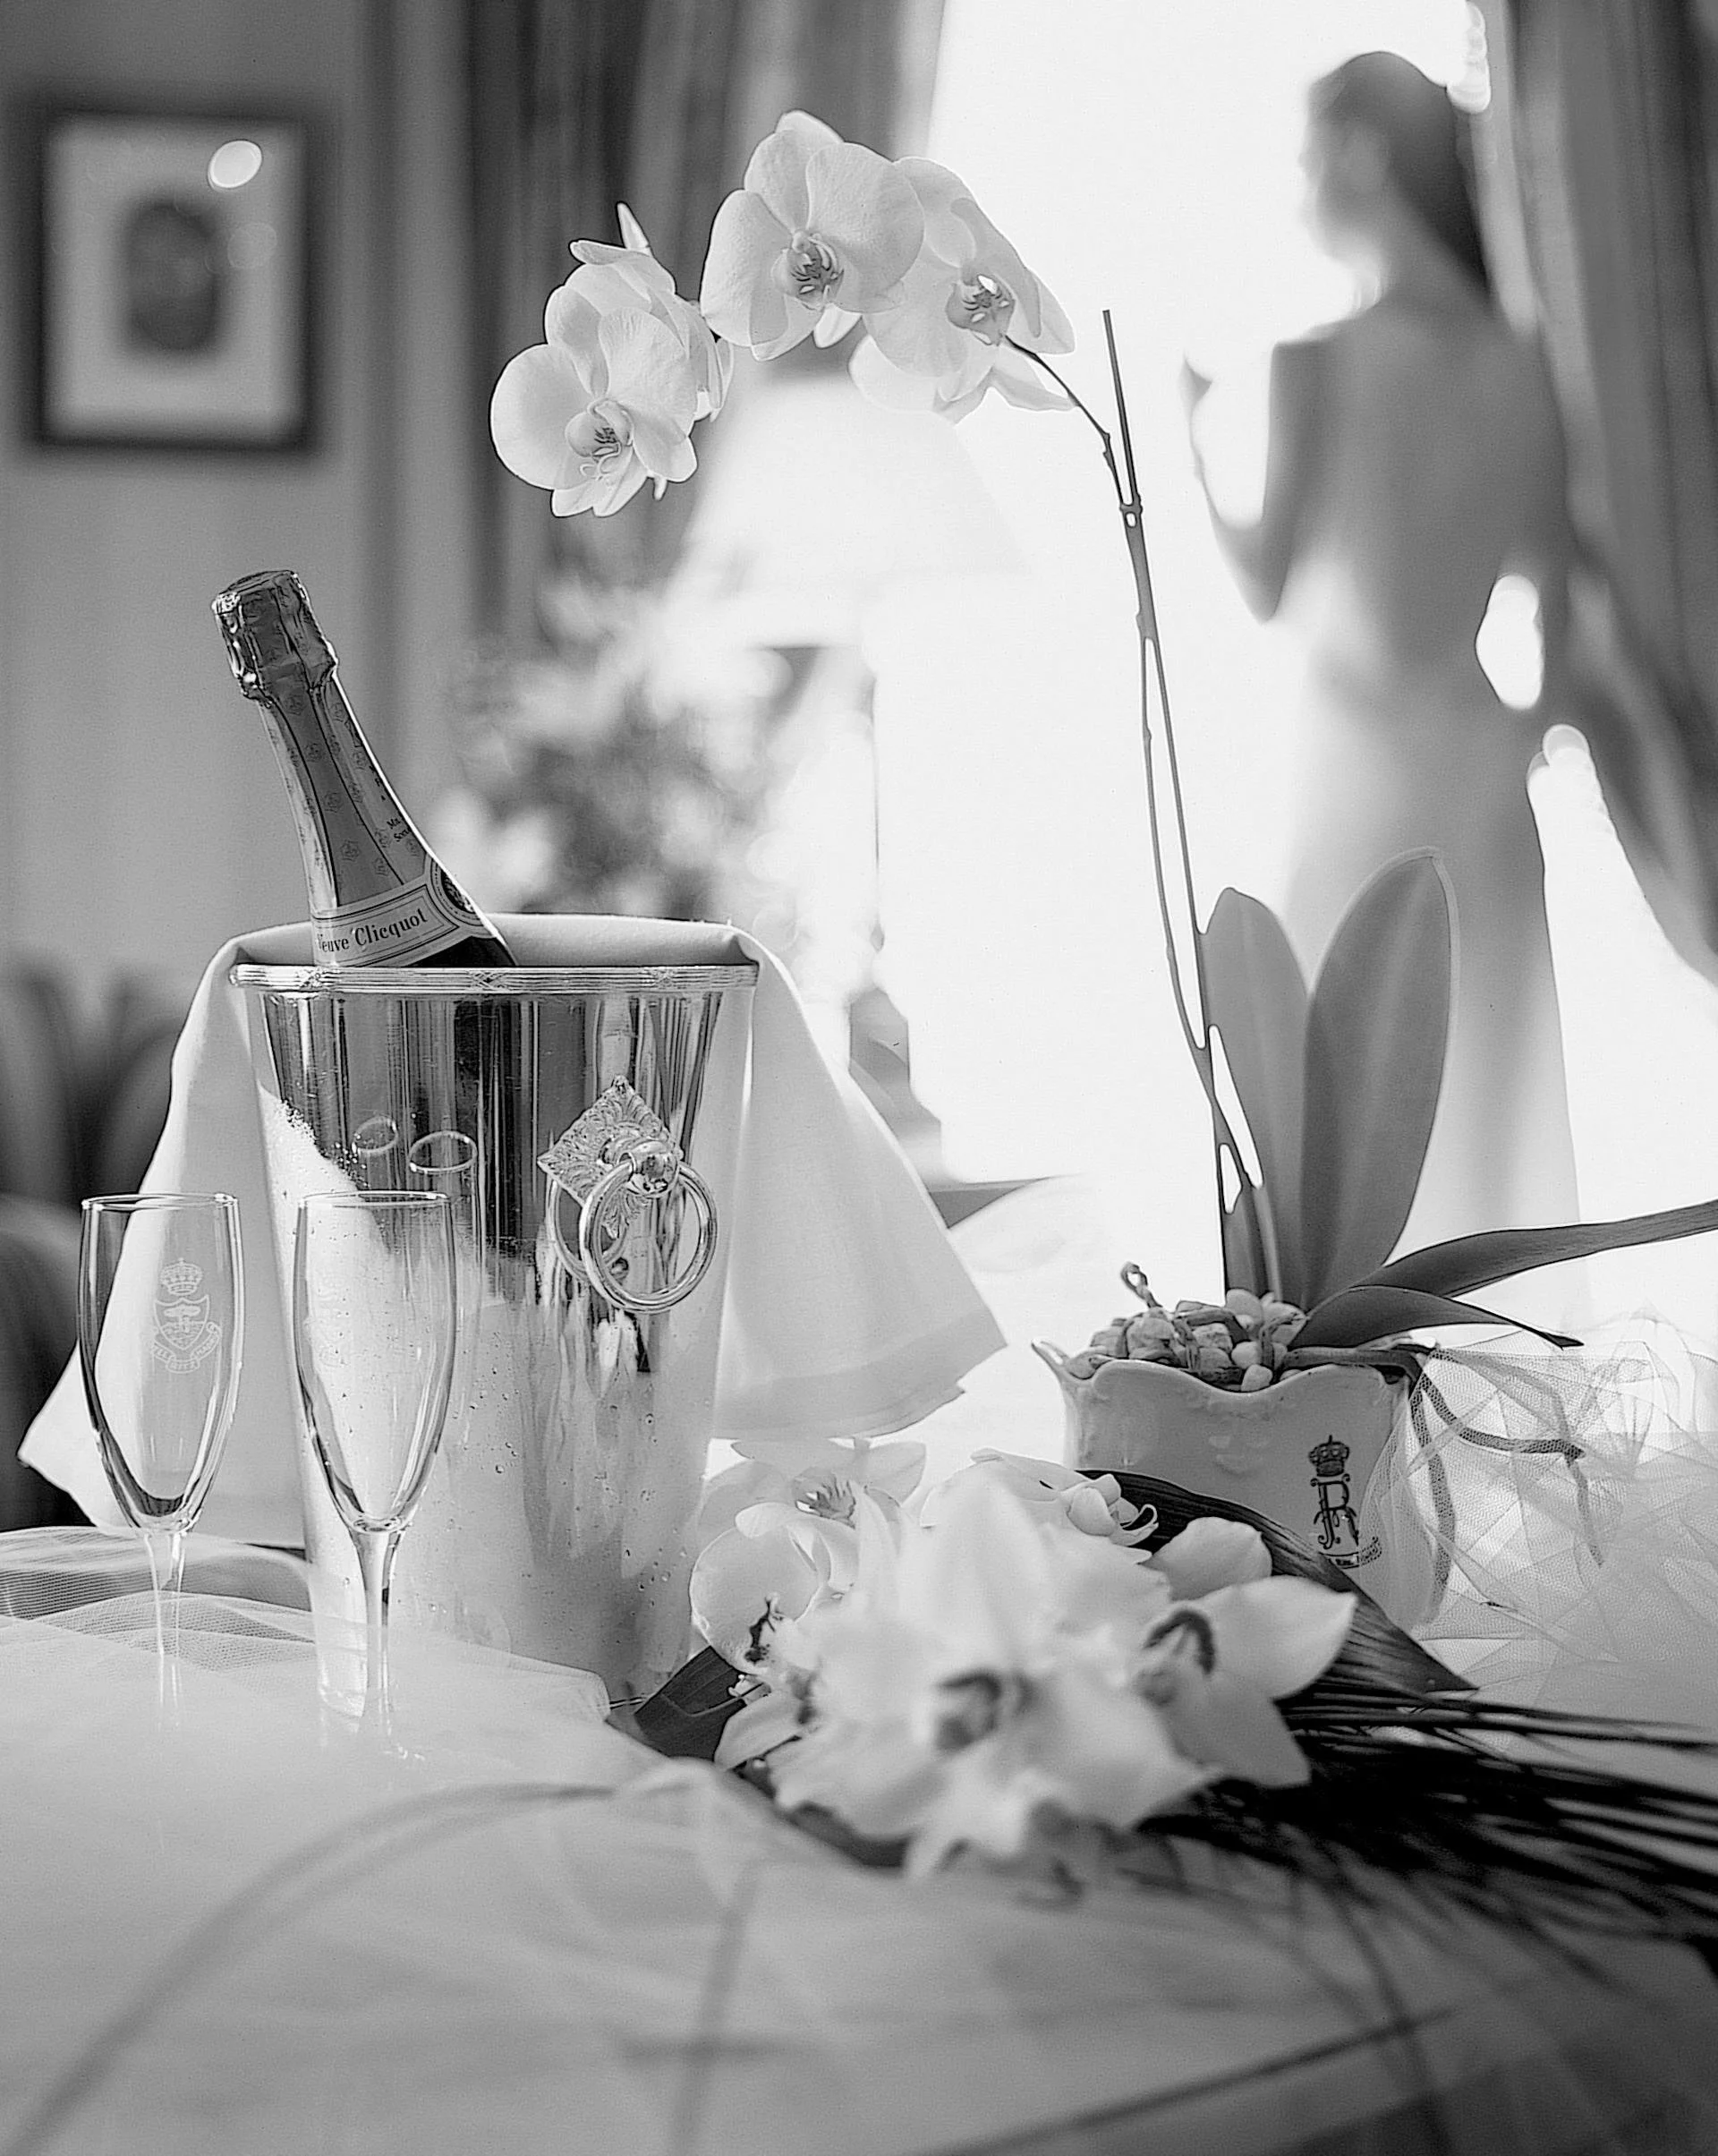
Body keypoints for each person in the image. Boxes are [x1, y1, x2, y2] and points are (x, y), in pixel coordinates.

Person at [1183, 49, 1579, 1266]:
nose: (1302, 186)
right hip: (1477, 752)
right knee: (1479, 1093)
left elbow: (1264, 585)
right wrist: (1531, 723)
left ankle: (1328, 1406)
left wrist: (1198, 432)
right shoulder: (1529, 360)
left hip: (1357, 754)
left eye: (1308, 155)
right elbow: (1557, 585)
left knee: (1335, 1112)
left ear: (1360, 153)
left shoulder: (1319, 363)